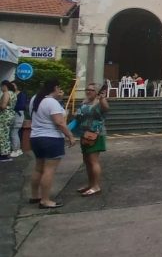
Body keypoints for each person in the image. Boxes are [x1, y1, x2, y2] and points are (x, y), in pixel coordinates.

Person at [30, 79, 76, 209]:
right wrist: (70, 136)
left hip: (35, 137)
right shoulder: (51, 102)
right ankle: (45, 200)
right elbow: (60, 122)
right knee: (49, 170)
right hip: (51, 138)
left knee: (38, 167)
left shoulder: (35, 99)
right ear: (55, 88)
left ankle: (34, 196)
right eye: (59, 88)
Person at [73, 83, 109, 196]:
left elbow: (106, 108)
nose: (88, 92)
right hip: (84, 134)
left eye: (92, 90)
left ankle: (96, 186)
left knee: (93, 161)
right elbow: (78, 116)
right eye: (87, 89)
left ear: (97, 92)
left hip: (96, 134)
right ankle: (90, 184)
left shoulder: (99, 102)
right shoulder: (84, 102)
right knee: (87, 161)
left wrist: (102, 98)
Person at [0, 80, 17, 161]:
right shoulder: (13, 94)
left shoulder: (6, 93)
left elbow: (3, 106)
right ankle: (6, 153)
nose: (1, 88)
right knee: (6, 134)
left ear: (4, 86)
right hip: (11, 115)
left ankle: (3, 154)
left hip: (4, 116)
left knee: (2, 135)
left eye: (1, 86)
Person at [11, 82, 27, 157]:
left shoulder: (21, 95)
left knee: (14, 132)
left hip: (18, 114)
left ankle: (15, 150)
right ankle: (17, 149)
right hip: (14, 114)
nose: (12, 87)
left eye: (14, 85)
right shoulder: (12, 94)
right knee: (14, 132)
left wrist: (11, 107)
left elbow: (21, 105)